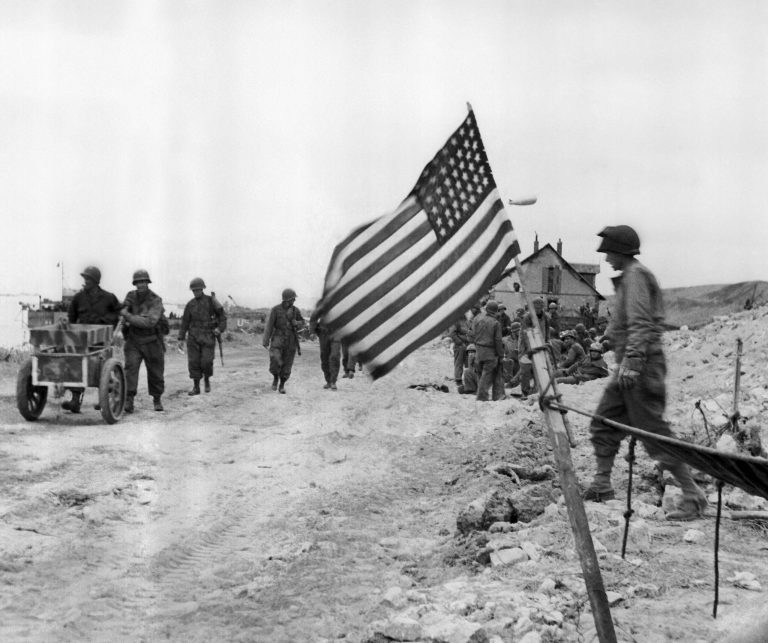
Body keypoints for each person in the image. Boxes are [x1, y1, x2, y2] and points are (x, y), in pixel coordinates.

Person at [583, 225, 708, 520]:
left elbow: (641, 323)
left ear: (621, 251)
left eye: (609, 252)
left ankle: (693, 495)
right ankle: (602, 483)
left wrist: (634, 360)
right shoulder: (628, 279)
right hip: (630, 364)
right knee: (604, 421)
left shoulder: (636, 277)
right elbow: (623, 323)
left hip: (641, 366)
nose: (606, 258)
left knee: (653, 433)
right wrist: (605, 341)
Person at [61, 266, 121, 413]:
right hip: (81, 340)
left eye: (88, 279)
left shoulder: (108, 297)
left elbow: (118, 314)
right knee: (76, 365)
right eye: (85, 278)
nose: (85, 281)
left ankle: (103, 401)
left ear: (95, 281)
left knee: (99, 368)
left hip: (101, 340)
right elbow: (71, 318)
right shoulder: (78, 297)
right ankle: (75, 401)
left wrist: (106, 322)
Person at [121, 269, 166, 413]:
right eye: (138, 282)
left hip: (152, 341)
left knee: (155, 372)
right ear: (135, 284)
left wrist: (128, 316)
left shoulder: (155, 300)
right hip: (134, 340)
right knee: (130, 370)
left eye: (143, 282)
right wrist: (123, 310)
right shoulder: (130, 296)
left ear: (148, 282)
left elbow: (150, 322)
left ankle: (157, 399)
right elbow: (123, 309)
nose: (141, 285)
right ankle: (129, 400)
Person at [178, 277, 227, 395]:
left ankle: (206, 379)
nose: (196, 292)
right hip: (193, 337)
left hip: (208, 336)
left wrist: (219, 329)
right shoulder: (190, 305)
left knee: (207, 361)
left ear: (202, 289)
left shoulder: (212, 301)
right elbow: (184, 322)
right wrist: (181, 338)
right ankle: (196, 387)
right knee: (194, 362)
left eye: (198, 290)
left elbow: (222, 318)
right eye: (194, 290)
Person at [263, 288, 305, 393]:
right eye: (293, 299)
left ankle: (282, 384)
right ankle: (275, 378)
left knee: (287, 364)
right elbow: (269, 326)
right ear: (286, 299)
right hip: (278, 338)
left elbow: (303, 322)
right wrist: (266, 340)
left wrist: (297, 323)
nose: (294, 301)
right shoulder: (275, 310)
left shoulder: (296, 311)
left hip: (291, 340)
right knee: (275, 360)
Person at [517, 298, 550, 397]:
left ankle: (537, 389)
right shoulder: (527, 317)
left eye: (540, 307)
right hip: (527, 347)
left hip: (541, 345)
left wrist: (547, 342)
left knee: (540, 368)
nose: (538, 309)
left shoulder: (546, 317)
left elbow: (547, 332)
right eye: (536, 307)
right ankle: (525, 391)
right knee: (526, 370)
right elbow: (525, 334)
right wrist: (528, 349)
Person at [473, 300, 505, 401]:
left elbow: (472, 333)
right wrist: (500, 355)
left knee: (480, 373)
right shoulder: (495, 323)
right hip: (490, 351)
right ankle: (482, 396)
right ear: (496, 311)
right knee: (487, 374)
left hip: (478, 349)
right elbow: (498, 340)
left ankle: (481, 394)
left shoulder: (477, 318)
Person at [309, 307, 341, 390]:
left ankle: (333, 381)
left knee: (335, 356)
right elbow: (313, 318)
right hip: (324, 334)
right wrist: (312, 332)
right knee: (324, 357)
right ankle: (328, 381)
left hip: (336, 334)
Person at [448, 313, 472, 386]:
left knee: (469, 364)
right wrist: (460, 342)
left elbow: (469, 331)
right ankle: (458, 380)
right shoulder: (456, 321)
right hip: (460, 346)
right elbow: (452, 333)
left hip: (468, 346)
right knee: (459, 363)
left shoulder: (466, 321)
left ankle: (468, 381)